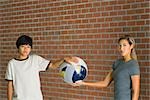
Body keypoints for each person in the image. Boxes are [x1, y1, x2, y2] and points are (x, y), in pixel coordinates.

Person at [72, 35, 140, 100]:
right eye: (120, 45)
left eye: (124, 45)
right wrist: (83, 83)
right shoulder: (117, 63)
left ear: (131, 46)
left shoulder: (133, 65)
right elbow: (105, 83)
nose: (121, 48)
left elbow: (135, 92)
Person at [5, 35, 69, 100]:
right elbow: (10, 85)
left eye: (28, 47)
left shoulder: (35, 59)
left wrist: (63, 59)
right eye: (22, 46)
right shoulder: (12, 63)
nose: (25, 49)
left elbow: (53, 65)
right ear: (18, 47)